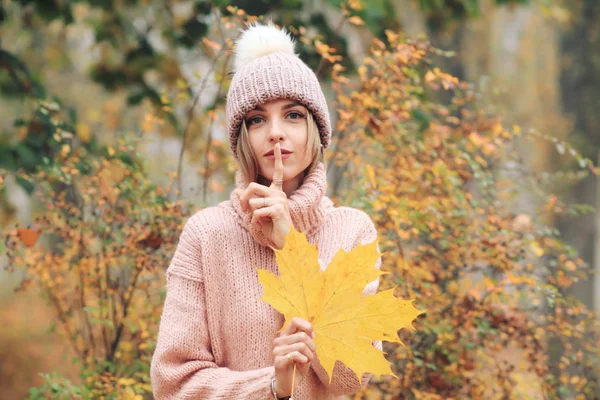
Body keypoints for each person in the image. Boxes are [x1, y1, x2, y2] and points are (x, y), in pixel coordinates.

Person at [150, 22, 381, 400]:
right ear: (243, 138)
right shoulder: (206, 235)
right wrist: (271, 387)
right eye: (257, 119)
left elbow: (350, 378)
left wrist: (291, 248)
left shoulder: (352, 230)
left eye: (292, 115)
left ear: (316, 130)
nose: (275, 132)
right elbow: (173, 384)